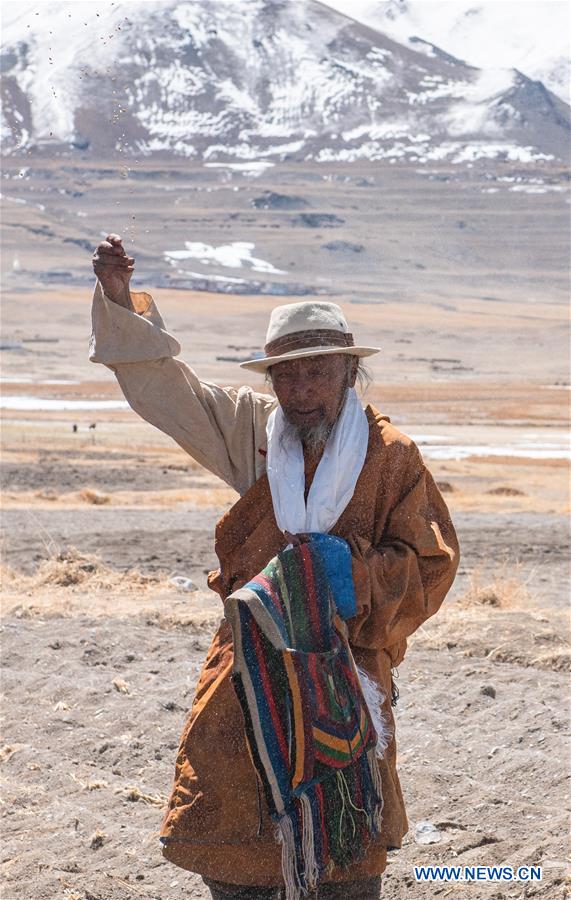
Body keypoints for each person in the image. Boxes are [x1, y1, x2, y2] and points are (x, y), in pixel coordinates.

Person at [90, 234, 460, 900]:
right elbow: (170, 394)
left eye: (317, 371)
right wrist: (121, 304)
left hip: (345, 680)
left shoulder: (392, 455)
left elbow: (429, 563)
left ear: (349, 372)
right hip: (246, 676)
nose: (301, 389)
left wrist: (348, 575)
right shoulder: (254, 433)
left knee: (345, 860)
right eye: (286, 374)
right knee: (234, 848)